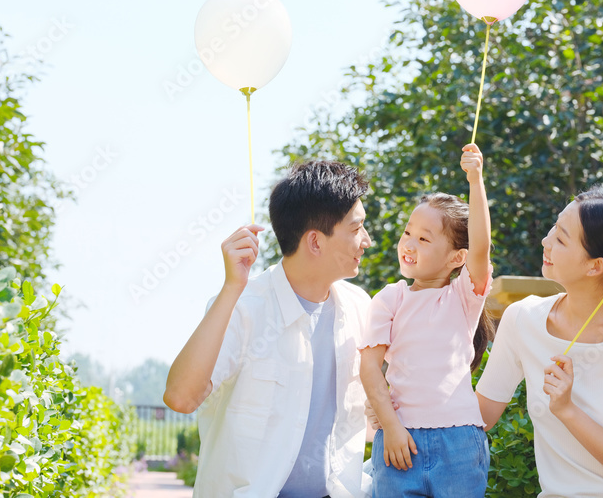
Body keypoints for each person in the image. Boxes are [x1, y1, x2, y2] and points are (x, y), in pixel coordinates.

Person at [163, 161, 373, 498]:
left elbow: (372, 416)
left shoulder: (361, 307)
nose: (367, 240)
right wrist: (232, 288)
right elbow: (181, 397)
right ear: (316, 242)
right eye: (356, 228)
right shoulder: (242, 306)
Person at [475, 188, 603, 498]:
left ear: (595, 266)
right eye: (555, 227)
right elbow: (481, 416)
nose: (546, 240)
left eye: (561, 238)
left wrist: (567, 410)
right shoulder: (521, 319)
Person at [359, 144, 494, 498]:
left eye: (423, 238)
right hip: (399, 439)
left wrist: (475, 180)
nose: (409, 243)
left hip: (461, 443)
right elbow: (370, 368)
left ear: (456, 257)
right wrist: (390, 428)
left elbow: (481, 248)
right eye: (407, 233)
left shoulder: (463, 297)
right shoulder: (390, 298)